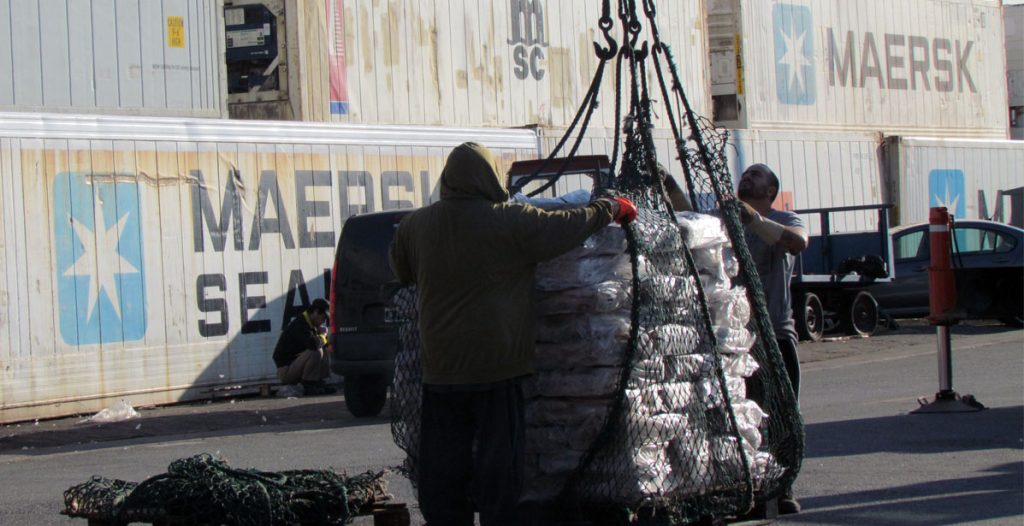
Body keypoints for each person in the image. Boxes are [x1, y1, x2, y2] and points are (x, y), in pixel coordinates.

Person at [388, 142, 636, 526]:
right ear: (489, 176)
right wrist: (610, 208)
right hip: (497, 369)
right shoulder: (509, 220)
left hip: (441, 370)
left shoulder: (416, 226)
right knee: (499, 468)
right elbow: (569, 225)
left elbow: (400, 269)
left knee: (444, 469)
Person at [737, 163, 808, 515]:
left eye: (756, 175)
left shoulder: (784, 219)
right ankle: (751, 486)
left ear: (770, 191)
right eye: (746, 173)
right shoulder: (731, 221)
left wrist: (753, 218)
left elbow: (798, 242)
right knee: (746, 414)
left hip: (777, 334)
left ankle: (783, 485)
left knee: (782, 413)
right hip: (739, 338)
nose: (746, 177)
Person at [272, 299, 336, 396]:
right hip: (286, 371)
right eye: (323, 317)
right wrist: (323, 335)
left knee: (323, 347)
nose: (324, 321)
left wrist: (323, 337)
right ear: (316, 312)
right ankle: (308, 385)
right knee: (316, 351)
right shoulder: (300, 325)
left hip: (296, 365)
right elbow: (313, 345)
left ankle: (319, 382)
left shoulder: (311, 324)